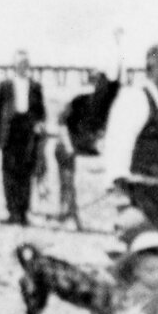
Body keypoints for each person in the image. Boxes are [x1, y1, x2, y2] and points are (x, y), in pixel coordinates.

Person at [102, 43, 158, 186]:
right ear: (153, 64)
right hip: (138, 191)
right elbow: (118, 146)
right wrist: (120, 188)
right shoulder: (135, 98)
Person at [54, 69, 122, 224]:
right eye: (96, 83)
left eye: (102, 84)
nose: (99, 88)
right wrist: (69, 145)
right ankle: (67, 210)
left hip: (96, 144)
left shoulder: (111, 101)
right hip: (75, 141)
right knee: (62, 153)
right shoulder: (79, 100)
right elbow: (62, 123)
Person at [0, 50, 47, 226]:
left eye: (25, 63)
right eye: (19, 63)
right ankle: (12, 212)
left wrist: (40, 124)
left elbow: (41, 112)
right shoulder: (4, 86)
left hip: (27, 132)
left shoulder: (36, 86)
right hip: (9, 132)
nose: (22, 66)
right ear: (14, 66)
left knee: (26, 172)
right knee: (9, 172)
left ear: (28, 66)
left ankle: (23, 213)